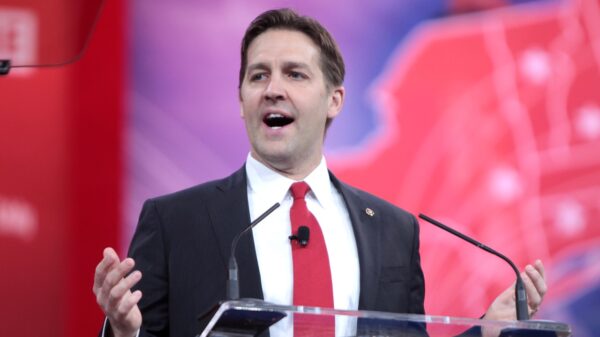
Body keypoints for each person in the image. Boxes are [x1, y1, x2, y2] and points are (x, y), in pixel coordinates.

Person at [92, 8, 547, 337]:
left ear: (335, 100)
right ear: (241, 101)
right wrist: (124, 332)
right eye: (257, 76)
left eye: (294, 74)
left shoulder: (393, 231)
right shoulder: (175, 222)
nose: (272, 89)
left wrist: (487, 333)